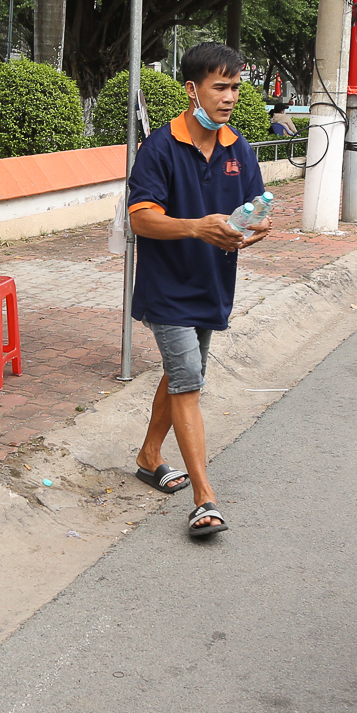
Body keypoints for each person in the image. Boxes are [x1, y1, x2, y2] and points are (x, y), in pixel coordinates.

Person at [125, 42, 271, 539]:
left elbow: (256, 205)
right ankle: (204, 498)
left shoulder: (238, 147)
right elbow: (141, 218)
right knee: (188, 378)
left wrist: (258, 225)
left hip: (213, 284)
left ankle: (148, 456)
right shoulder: (160, 147)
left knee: (182, 372)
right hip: (167, 287)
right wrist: (195, 228)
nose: (230, 96)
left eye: (235, 86)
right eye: (220, 86)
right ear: (193, 89)